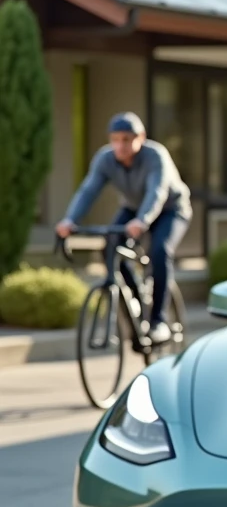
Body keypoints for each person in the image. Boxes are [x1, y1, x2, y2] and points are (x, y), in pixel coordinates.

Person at [56, 112, 192, 345]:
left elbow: (156, 192)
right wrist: (70, 220)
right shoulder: (105, 159)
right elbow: (89, 191)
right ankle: (137, 301)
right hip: (132, 209)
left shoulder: (155, 156)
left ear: (141, 137)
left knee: (159, 251)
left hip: (170, 210)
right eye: (115, 139)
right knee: (110, 247)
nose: (121, 145)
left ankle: (159, 321)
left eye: (127, 139)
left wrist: (143, 220)